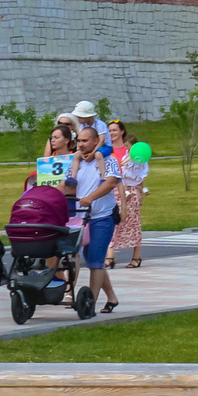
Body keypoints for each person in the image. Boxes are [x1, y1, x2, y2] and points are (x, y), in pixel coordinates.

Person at [70, 128, 122, 310]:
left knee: (95, 260)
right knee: (93, 259)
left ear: (95, 142)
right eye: (79, 141)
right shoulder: (76, 162)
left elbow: (110, 183)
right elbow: (66, 184)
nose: (81, 144)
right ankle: (112, 298)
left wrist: (90, 197)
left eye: (85, 141)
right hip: (82, 219)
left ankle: (89, 304)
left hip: (102, 217)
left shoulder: (109, 160)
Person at [104, 118, 148, 268]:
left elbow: (140, 167)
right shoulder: (107, 150)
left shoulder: (131, 148)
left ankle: (136, 255)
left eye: (115, 130)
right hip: (112, 188)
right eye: (109, 131)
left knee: (133, 220)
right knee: (112, 219)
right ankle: (110, 255)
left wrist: (142, 186)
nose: (112, 133)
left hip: (131, 188)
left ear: (122, 131)